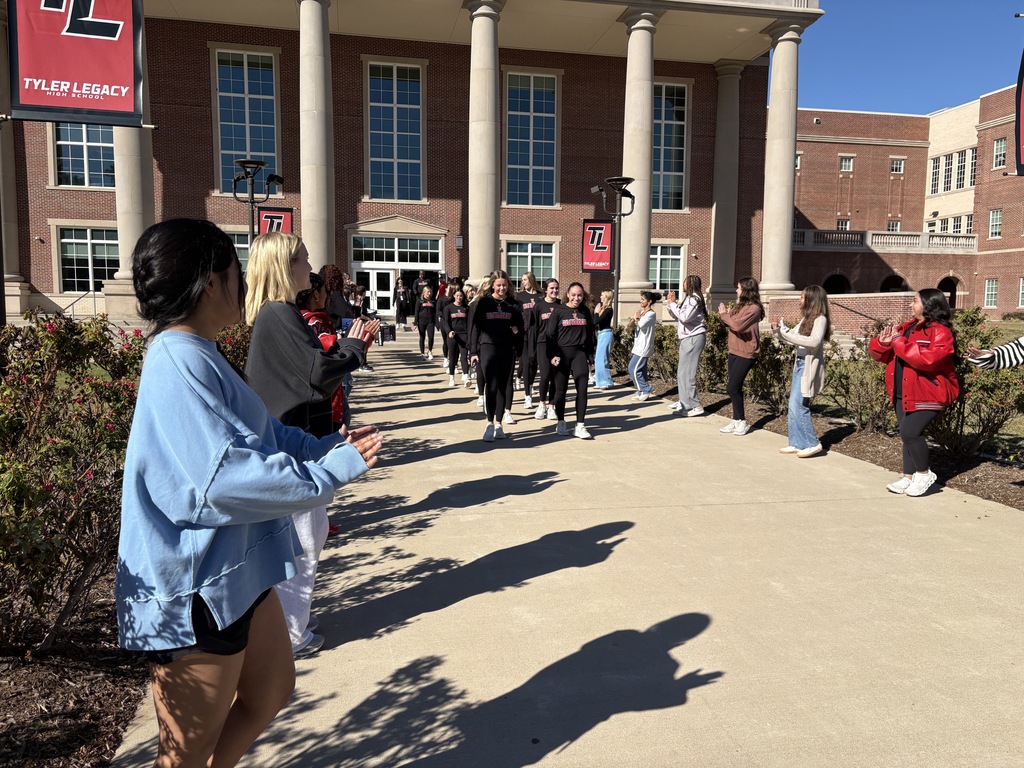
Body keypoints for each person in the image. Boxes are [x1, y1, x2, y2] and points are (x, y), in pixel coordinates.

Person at [117, 218, 382, 768]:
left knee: (270, 693)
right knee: (184, 753)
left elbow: (262, 433)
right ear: (210, 282)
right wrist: (327, 475)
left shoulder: (201, 352)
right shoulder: (175, 361)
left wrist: (324, 446)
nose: (244, 283)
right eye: (236, 271)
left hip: (235, 572)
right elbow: (221, 480)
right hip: (196, 592)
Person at [245, 232, 379, 658]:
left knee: (311, 531)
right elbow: (318, 374)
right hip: (287, 447)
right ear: (285, 266)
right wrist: (354, 347)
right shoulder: (279, 314)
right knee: (303, 538)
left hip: (294, 440)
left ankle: (293, 619)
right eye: (303, 258)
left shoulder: (280, 313)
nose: (311, 265)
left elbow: (311, 377)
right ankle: (290, 634)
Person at [869, 288, 959, 497]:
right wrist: (882, 343)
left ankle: (924, 473)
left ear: (929, 305)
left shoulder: (940, 332)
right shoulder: (906, 327)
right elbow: (880, 355)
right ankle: (908, 477)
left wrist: (898, 342)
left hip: (929, 391)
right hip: (903, 391)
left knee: (909, 433)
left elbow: (928, 360)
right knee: (908, 435)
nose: (911, 305)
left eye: (915, 301)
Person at [772, 285, 831, 458]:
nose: (800, 300)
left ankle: (812, 443)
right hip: (799, 363)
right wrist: (778, 330)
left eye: (802, 297)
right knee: (793, 404)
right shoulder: (806, 319)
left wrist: (786, 333)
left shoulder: (820, 319)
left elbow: (813, 342)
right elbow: (793, 337)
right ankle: (796, 442)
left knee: (800, 404)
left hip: (808, 366)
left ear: (812, 299)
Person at [469, 270, 524, 441]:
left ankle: (499, 424)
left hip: (506, 349)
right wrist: (473, 352)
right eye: (498, 285)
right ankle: (489, 424)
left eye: (504, 285)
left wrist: (517, 335)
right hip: (488, 348)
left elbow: (520, 328)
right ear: (492, 285)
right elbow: (475, 328)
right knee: (491, 385)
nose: (501, 288)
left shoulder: (514, 304)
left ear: (508, 286)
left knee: (502, 386)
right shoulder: (484, 303)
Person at [546, 282, 596, 438]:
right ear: (568, 294)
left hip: (579, 354)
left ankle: (580, 425)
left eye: (579, 295)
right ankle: (561, 422)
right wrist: (552, 354)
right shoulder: (559, 311)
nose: (576, 298)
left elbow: (589, 336)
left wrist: (590, 356)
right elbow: (550, 335)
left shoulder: (585, 311)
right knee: (560, 391)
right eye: (573, 295)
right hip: (561, 354)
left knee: (582, 390)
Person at [717, 277, 765, 436]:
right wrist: (725, 316)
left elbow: (737, 325)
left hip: (747, 352)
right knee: (734, 387)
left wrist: (725, 315)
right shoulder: (740, 306)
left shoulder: (754, 308)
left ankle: (742, 421)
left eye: (738, 287)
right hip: (734, 350)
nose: (736, 290)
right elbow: (728, 322)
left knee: (732, 387)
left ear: (746, 289)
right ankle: (736, 420)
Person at [665, 277, 707, 416]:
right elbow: (677, 316)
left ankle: (695, 405)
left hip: (693, 337)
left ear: (690, 284)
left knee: (687, 373)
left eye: (684, 281)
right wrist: (672, 304)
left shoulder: (694, 299)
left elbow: (685, 317)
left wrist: (673, 304)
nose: (682, 284)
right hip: (687, 338)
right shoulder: (689, 299)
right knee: (682, 373)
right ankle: (685, 402)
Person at [530, 278, 561, 421]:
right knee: (545, 375)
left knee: (555, 376)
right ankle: (541, 403)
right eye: (551, 288)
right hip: (542, 343)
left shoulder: (561, 305)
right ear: (545, 290)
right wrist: (532, 350)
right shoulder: (538, 306)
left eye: (556, 288)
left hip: (558, 345)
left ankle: (551, 406)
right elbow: (534, 329)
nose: (554, 291)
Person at [628, 291, 661, 402]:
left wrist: (637, 318)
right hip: (638, 346)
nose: (641, 301)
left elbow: (641, 324)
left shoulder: (651, 314)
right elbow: (631, 326)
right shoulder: (642, 312)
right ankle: (641, 392)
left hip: (644, 347)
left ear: (649, 301)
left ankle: (646, 389)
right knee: (641, 370)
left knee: (633, 368)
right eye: (641, 299)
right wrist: (634, 319)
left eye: (643, 299)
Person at [516, 272, 541, 409]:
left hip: (538, 334)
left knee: (533, 363)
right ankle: (527, 396)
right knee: (525, 363)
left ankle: (530, 386)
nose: (523, 282)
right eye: (522, 280)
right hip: (524, 333)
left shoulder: (540, 296)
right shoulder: (519, 296)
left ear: (531, 280)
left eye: (525, 279)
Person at [442, 287, 471, 387]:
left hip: (464, 335)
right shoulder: (448, 308)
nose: (459, 297)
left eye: (461, 296)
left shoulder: (466, 308)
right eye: (457, 296)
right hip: (453, 335)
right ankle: (451, 377)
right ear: (454, 296)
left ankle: (466, 377)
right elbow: (445, 323)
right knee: (453, 357)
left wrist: (469, 335)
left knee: (464, 356)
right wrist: (449, 331)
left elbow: (468, 323)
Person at [593, 290, 615, 389]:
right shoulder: (603, 309)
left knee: (603, 359)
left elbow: (596, 321)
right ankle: (600, 381)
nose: (600, 297)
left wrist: (596, 313)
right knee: (598, 359)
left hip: (606, 334)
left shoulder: (609, 310)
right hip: (602, 334)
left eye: (602, 295)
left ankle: (606, 381)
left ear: (606, 297)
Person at [414, 285, 437, 360]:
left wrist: (437, 323)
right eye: (427, 292)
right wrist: (415, 323)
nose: (429, 293)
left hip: (430, 322)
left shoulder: (433, 301)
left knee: (431, 337)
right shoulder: (419, 301)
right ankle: (422, 353)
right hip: (421, 322)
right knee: (422, 337)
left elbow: (435, 313)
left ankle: (430, 351)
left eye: (430, 292)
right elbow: (416, 312)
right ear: (424, 293)